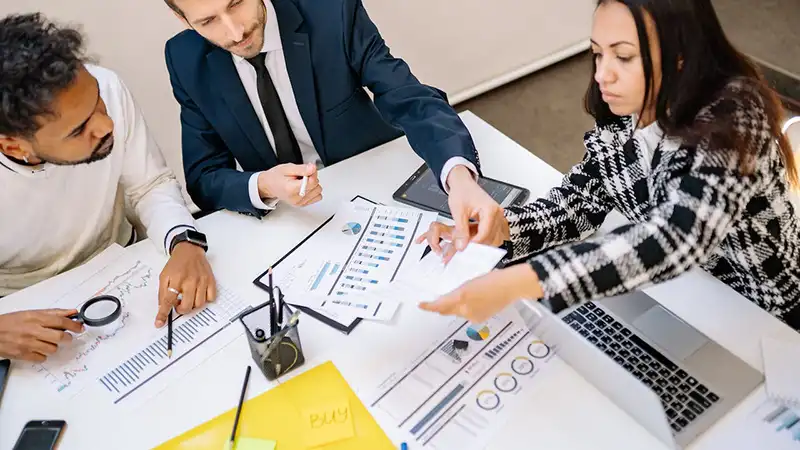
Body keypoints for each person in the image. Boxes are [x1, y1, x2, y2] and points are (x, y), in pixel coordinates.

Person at [417, 0, 800, 331]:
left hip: (766, 315)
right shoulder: (624, 115)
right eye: (598, 53)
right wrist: (501, 231)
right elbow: (578, 203)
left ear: (681, 57)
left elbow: (675, 238)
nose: (602, 74)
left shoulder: (736, 113)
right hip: (680, 299)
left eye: (624, 56)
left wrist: (521, 281)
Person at [162, 0, 503, 248]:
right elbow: (203, 177)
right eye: (208, 21)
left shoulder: (331, 10)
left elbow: (409, 98)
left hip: (378, 188)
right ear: (180, 18)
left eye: (236, 3)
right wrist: (263, 185)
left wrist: (459, 177)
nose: (235, 33)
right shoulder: (184, 58)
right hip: (294, 221)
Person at [0, 14, 217, 362]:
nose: (106, 124)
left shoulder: (107, 86)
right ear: (14, 147)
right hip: (23, 307)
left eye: (97, 101)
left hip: (123, 266)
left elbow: (149, 185)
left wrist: (184, 242)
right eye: (77, 130)